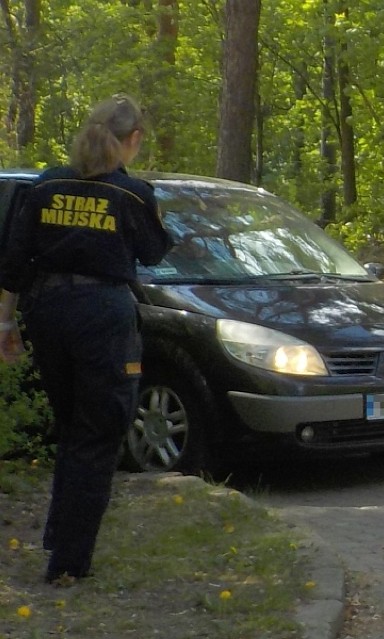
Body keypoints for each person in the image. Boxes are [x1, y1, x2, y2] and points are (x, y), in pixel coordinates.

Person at [0, 94, 173, 584]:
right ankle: (68, 563)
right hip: (103, 316)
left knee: (73, 427)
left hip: (47, 313)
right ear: (133, 139)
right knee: (99, 434)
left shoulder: (44, 185)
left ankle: (60, 534)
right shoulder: (131, 194)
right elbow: (155, 253)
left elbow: (12, 262)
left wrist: (6, 325)